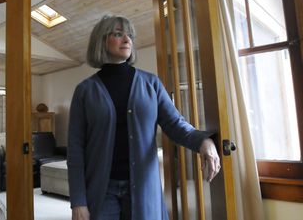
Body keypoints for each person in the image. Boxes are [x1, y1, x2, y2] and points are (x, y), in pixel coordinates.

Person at [67, 15, 221, 220]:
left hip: (142, 188)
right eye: (118, 34)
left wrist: (204, 141)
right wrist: (78, 201)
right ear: (102, 41)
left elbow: (175, 124)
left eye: (130, 35)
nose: (127, 39)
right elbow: (75, 149)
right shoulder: (84, 91)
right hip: (101, 191)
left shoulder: (151, 83)